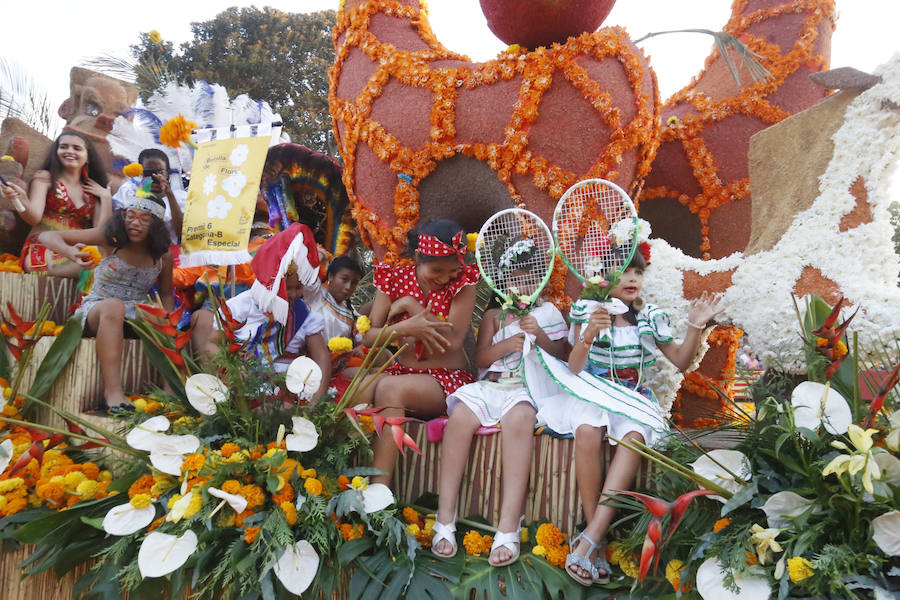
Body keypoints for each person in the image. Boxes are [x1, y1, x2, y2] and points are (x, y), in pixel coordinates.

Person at [533, 247, 723, 586]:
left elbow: (680, 360)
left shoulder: (650, 316)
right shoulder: (587, 310)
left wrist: (695, 325)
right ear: (604, 277)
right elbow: (574, 367)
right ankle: (597, 541)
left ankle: (590, 539)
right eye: (624, 272)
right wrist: (590, 331)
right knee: (588, 431)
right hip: (592, 392)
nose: (633, 278)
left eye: (638, 272)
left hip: (632, 398)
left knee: (633, 438)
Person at [432, 249, 568, 565]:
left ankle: (508, 527)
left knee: (520, 417)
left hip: (525, 388)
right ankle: (444, 517)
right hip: (492, 385)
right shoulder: (494, 317)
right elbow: (481, 358)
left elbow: (562, 354)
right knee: (461, 416)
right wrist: (506, 344)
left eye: (530, 279)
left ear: (541, 282)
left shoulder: (547, 313)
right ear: (503, 283)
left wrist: (539, 334)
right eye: (515, 280)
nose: (522, 286)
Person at [357, 219, 480, 485]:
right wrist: (405, 329)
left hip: (446, 378)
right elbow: (368, 337)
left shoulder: (464, 284)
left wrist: (412, 307)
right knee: (350, 381)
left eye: (453, 271)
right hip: (401, 370)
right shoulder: (393, 277)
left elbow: (452, 341)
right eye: (436, 270)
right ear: (416, 258)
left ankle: (379, 494)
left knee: (391, 388)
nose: (445, 278)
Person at [37, 190, 173, 409]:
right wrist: (69, 252)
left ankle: (171, 390)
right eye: (130, 216)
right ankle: (114, 394)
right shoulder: (111, 239)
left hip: (136, 313)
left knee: (160, 315)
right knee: (114, 306)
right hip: (99, 309)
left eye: (143, 219)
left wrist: (168, 322)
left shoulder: (163, 254)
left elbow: (166, 294)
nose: (134, 223)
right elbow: (47, 236)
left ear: (156, 225)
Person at [211, 223, 331, 400]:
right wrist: (233, 371)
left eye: (298, 288)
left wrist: (316, 403)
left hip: (288, 392)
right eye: (286, 288)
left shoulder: (304, 315)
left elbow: (322, 358)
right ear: (269, 281)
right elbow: (212, 344)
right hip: (243, 391)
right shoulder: (237, 307)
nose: (293, 294)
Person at [1, 132, 112, 277]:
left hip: (78, 249)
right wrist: (21, 199)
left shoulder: (94, 189)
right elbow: (33, 217)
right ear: (56, 152)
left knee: (104, 258)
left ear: (88, 156)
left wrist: (106, 198)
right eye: (64, 147)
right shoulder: (45, 178)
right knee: (95, 267)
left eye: (77, 148)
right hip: (43, 249)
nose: (70, 151)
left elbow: (100, 234)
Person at [112, 149, 185, 245]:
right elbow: (120, 228)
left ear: (167, 173)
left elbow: (182, 234)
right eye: (148, 172)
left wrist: (169, 195)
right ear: (141, 173)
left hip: (168, 252)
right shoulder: (128, 191)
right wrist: (142, 193)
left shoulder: (179, 197)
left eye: (159, 172)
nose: (154, 176)